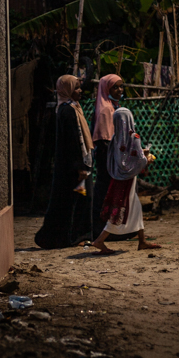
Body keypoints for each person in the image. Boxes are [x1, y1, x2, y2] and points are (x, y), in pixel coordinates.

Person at [34, 75, 94, 249]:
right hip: (75, 169)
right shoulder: (67, 111)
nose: (80, 91)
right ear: (67, 90)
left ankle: (66, 236)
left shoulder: (72, 108)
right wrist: (79, 167)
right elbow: (72, 141)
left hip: (77, 166)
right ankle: (76, 236)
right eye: (76, 88)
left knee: (76, 200)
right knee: (81, 199)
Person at [92, 107, 161, 254]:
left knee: (135, 207)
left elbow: (123, 159)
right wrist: (147, 159)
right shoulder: (133, 137)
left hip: (118, 177)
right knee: (120, 209)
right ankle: (99, 240)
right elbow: (138, 159)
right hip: (128, 180)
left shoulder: (115, 138)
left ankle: (142, 241)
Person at [90, 74, 135, 241]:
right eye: (115, 87)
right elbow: (104, 138)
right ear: (107, 89)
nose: (120, 90)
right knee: (106, 193)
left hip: (112, 157)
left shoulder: (113, 107)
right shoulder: (105, 110)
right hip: (107, 160)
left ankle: (112, 231)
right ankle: (102, 232)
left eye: (121, 86)